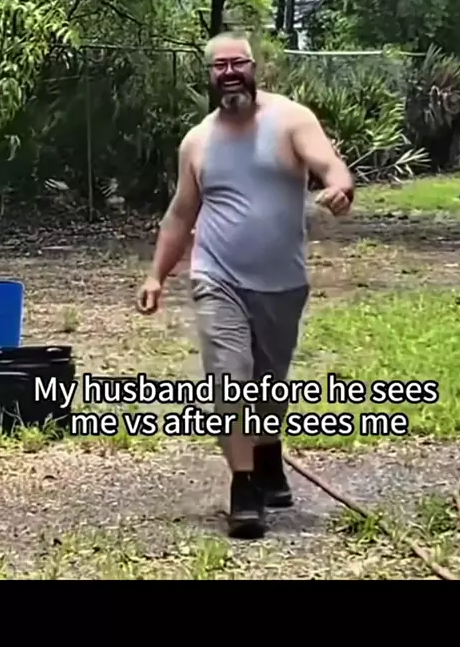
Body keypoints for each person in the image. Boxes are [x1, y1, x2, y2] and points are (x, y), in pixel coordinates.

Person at [136, 32, 354, 540]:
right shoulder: (197, 141)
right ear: (209, 76)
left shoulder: (291, 119)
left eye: (238, 63)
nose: (230, 72)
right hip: (217, 278)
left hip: (282, 282)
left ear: (254, 68)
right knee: (228, 380)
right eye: (220, 66)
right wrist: (156, 274)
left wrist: (340, 187)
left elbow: (329, 166)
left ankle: (267, 452)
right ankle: (244, 485)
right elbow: (181, 213)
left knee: (269, 384)